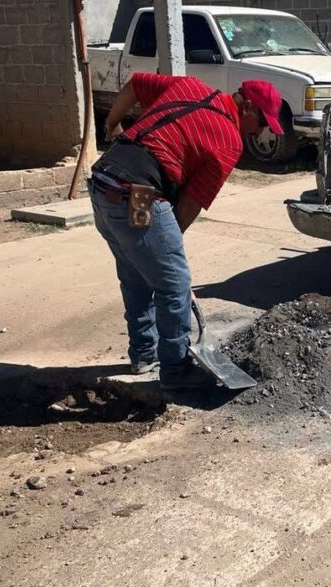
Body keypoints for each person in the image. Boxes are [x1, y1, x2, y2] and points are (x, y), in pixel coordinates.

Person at [89, 74, 283, 390]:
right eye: (262, 122)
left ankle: (144, 354)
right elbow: (187, 207)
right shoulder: (228, 141)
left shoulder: (190, 86)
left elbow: (136, 84)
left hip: (102, 184)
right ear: (247, 105)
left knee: (135, 272)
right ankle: (177, 372)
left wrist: (112, 124)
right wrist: (171, 267)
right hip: (138, 194)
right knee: (173, 284)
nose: (260, 131)